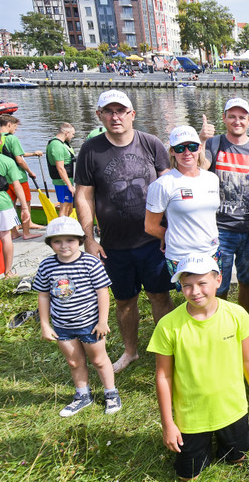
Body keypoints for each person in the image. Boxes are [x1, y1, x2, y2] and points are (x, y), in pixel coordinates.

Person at [74, 89, 174, 373]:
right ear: (100, 115)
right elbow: (83, 196)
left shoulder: (151, 143)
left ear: (132, 114)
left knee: (160, 296)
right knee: (124, 300)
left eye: (121, 111)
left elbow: (170, 188)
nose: (115, 117)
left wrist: (172, 231)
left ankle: (165, 348)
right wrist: (89, 239)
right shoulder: (90, 150)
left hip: (153, 239)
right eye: (109, 111)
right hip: (114, 244)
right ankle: (131, 351)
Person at [148, 254, 249, 480]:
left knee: (236, 458)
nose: (195, 291)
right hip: (192, 417)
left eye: (202, 283)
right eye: (187, 286)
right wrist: (167, 424)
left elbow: (248, 359)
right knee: (188, 474)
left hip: (233, 409)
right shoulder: (168, 326)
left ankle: (230, 450)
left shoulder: (237, 314)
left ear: (218, 280)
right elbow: (163, 377)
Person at [33, 216, 120, 417]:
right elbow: (44, 295)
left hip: (90, 324)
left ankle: (111, 393)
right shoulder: (47, 266)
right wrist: (45, 325)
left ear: (80, 240)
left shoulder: (90, 263)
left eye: (70, 240)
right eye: (57, 241)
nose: (64, 246)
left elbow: (103, 292)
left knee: (99, 360)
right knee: (74, 362)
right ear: (50, 243)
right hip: (62, 325)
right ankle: (83, 395)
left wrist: (102, 321)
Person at [200, 98, 249, 324]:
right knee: (219, 280)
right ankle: (219, 322)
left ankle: (244, 321)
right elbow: (200, 169)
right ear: (224, 119)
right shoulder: (214, 144)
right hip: (221, 228)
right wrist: (201, 141)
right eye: (232, 116)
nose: (237, 121)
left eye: (242, 117)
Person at [145, 125, 220, 277]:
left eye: (192, 147)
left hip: (211, 251)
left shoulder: (212, 179)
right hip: (181, 255)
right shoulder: (162, 184)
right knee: (193, 298)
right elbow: (150, 226)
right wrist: (171, 237)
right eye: (180, 148)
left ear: (200, 148)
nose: (187, 153)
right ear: (172, 151)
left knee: (210, 296)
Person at [0, 128, 31, 277]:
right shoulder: (6, 160)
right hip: (2, 203)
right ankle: (8, 271)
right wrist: (24, 207)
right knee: (5, 236)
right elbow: (16, 185)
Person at [0, 114, 43, 239]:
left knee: (10, 205)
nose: (16, 129)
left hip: (3, 177)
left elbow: (10, 154)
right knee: (25, 203)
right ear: (9, 124)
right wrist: (29, 171)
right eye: (15, 126)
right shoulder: (12, 139)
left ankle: (14, 232)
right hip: (18, 176)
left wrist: (33, 153)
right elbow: (19, 159)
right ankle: (26, 233)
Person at [46, 122, 77, 216]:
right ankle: (62, 229)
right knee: (64, 206)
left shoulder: (63, 144)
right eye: (72, 134)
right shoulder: (56, 145)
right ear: (66, 133)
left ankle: (70, 227)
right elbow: (60, 167)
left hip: (68, 180)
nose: (72, 136)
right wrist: (69, 186)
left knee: (70, 206)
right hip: (62, 182)